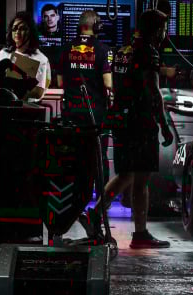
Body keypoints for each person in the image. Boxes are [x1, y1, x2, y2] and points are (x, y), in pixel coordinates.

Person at [82, 9, 173, 250]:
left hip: (121, 121)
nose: (164, 34)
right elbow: (153, 91)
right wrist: (164, 125)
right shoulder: (148, 52)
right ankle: (140, 234)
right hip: (140, 123)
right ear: (156, 30)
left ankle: (95, 214)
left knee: (127, 175)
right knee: (141, 179)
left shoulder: (124, 50)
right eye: (163, 29)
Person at [57, 10, 113, 185]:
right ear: (96, 26)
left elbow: (60, 82)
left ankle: (76, 195)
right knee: (98, 157)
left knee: (75, 159)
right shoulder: (103, 49)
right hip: (95, 115)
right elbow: (108, 83)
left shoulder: (65, 48)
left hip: (71, 114)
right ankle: (101, 198)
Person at [0, 12, 51, 102]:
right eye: (14, 29)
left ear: (31, 32)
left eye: (22, 28)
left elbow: (39, 92)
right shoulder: (3, 53)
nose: (17, 32)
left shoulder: (41, 59)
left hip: (26, 107)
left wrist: (19, 96)